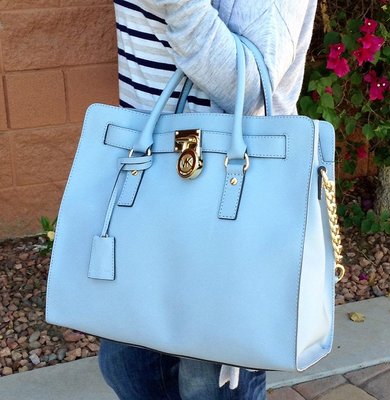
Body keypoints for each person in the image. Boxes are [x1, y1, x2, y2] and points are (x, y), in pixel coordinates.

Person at [98, 0, 318, 398]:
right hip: (145, 178)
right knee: (129, 368)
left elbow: (251, 88)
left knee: (206, 385)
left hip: (227, 199)